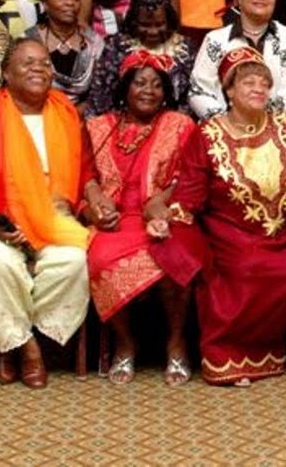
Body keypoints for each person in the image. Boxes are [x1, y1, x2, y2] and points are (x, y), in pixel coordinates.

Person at [173, 47, 286, 386]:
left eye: (264, 83)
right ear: (229, 90)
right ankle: (225, 355)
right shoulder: (207, 134)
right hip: (228, 233)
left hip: (281, 233)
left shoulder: (285, 127)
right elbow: (190, 193)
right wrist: (174, 216)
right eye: (248, 83)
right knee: (244, 269)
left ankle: (267, 352)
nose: (258, 89)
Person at [0, 39, 93, 390]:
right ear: (6, 73)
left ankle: (19, 338)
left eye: (44, 63)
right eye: (27, 63)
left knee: (74, 262)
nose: (38, 69)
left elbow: (86, 171)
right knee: (1, 263)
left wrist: (93, 199)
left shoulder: (67, 113)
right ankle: (25, 349)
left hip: (55, 219)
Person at [81, 52, 202, 385]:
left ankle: (176, 342)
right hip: (115, 222)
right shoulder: (97, 128)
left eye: (157, 85)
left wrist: (162, 202)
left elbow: (191, 177)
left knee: (174, 255)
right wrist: (95, 208)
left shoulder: (181, 125)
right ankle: (125, 343)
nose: (149, 90)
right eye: (140, 83)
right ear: (124, 88)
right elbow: (83, 179)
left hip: (166, 216)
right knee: (100, 258)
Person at [189, 0, 286, 117]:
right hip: (223, 125)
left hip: (275, 125)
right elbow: (199, 91)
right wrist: (229, 122)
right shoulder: (215, 40)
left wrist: (262, 122)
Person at [87, 0, 193, 117]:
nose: (153, 31)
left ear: (169, 20)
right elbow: (100, 97)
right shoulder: (118, 46)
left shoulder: (184, 48)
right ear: (133, 21)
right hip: (123, 123)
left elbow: (190, 99)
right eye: (145, 25)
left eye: (159, 24)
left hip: (173, 125)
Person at [26, 0, 105, 110]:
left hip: (82, 115)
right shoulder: (27, 41)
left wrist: (74, 114)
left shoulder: (94, 43)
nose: (70, 3)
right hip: (36, 112)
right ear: (45, 4)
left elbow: (99, 91)